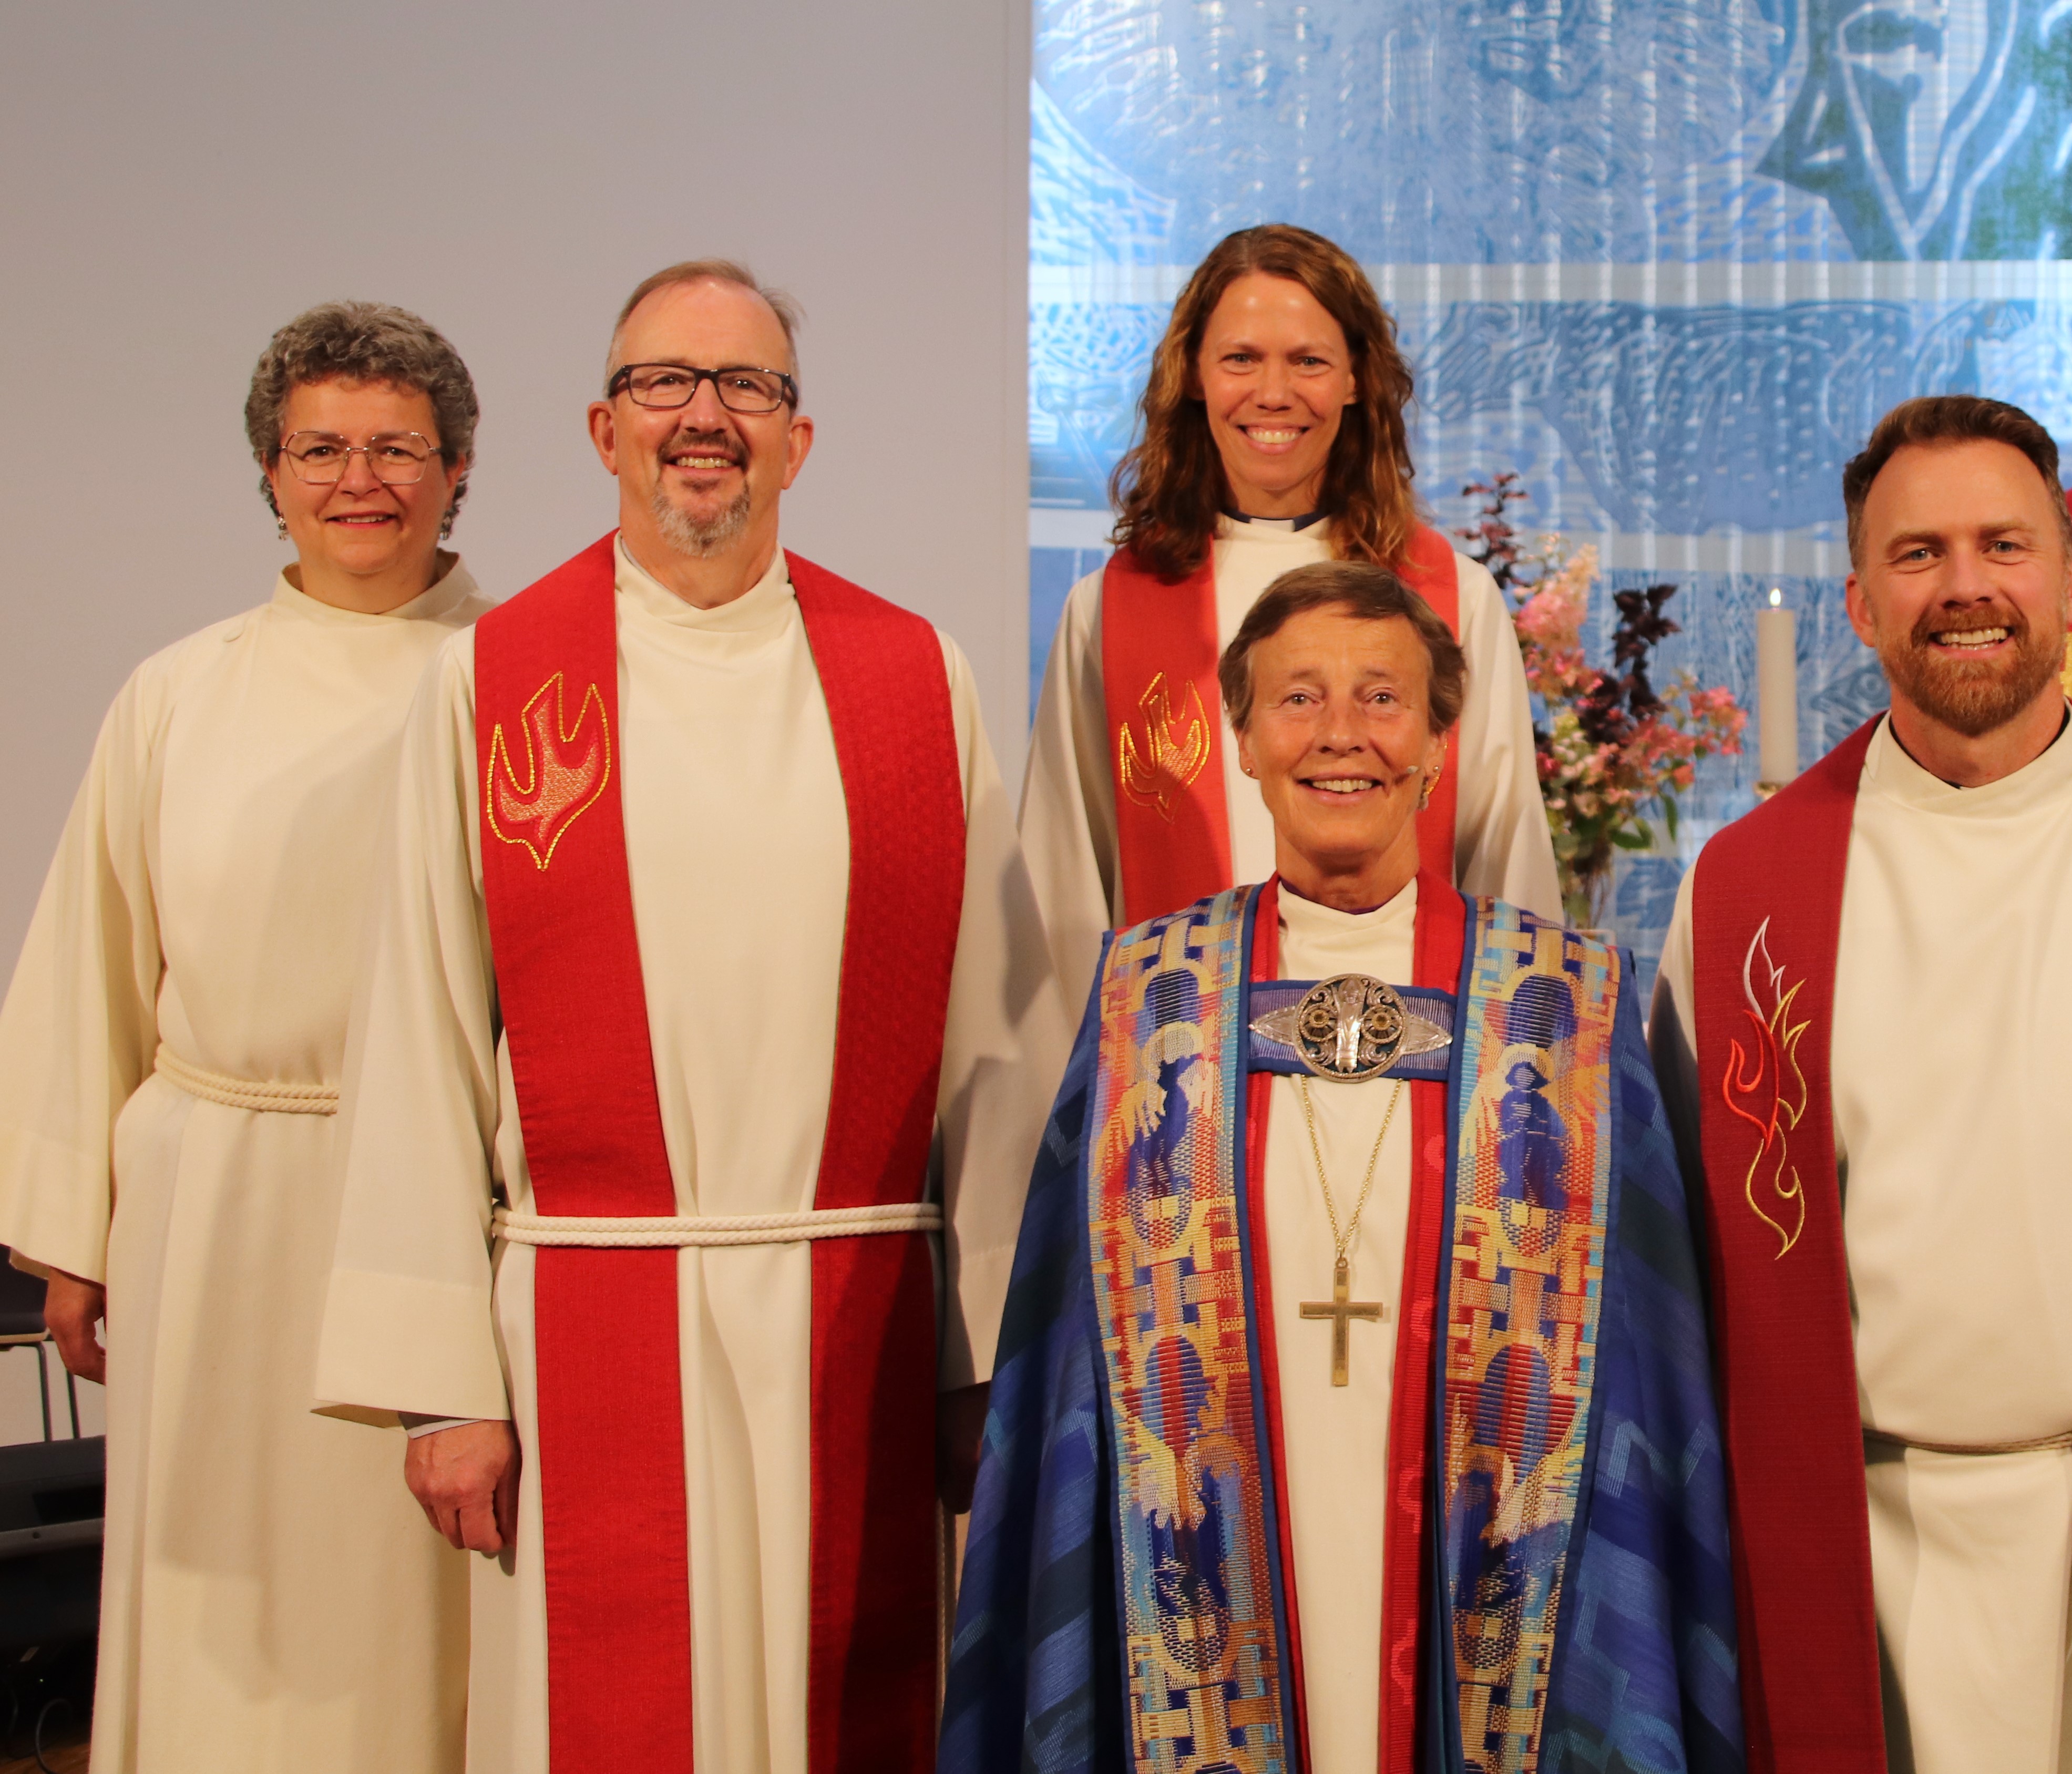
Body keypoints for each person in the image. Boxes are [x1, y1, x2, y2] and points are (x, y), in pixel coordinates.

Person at [312, 260, 1055, 1772]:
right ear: (603, 428)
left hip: (857, 1319)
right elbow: (424, 1039)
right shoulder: (493, 680)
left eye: (746, 387)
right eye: (665, 382)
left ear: (798, 439)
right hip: (589, 1317)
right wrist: (437, 1386)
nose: (703, 417)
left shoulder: (916, 677)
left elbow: (998, 1041)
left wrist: (984, 1358)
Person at [945, 561, 1738, 1774]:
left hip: (1487, 1590)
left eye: (1382, 698)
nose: (1341, 735)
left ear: (1436, 741)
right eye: (1299, 698)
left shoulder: (1562, 1008)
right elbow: (1066, 1385)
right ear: (1247, 738)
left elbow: (1647, 1379)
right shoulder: (1143, 1001)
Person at [1655, 395, 2072, 1771]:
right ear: (1859, 602)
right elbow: (1691, 1263)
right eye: (1918, 556)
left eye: (2003, 545)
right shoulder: (1747, 894)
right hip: (1853, 1560)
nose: (1966, 587)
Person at [0, 301, 486, 1773]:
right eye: (321, 448)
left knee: (410, 1610)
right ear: (268, 475)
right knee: (223, 1608)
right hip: (212, 1207)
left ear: (460, 468)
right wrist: (70, 1235)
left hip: (434, 1207)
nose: (362, 481)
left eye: (399, 447)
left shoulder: (531, 682)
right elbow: (93, 958)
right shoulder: (179, 690)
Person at [1023, 223, 1558, 1062]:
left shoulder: (1453, 601)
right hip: (1184, 1087)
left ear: (1356, 381)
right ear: (1193, 379)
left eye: (1308, 361)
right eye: (1241, 359)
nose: (1274, 394)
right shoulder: (1109, 612)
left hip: (1419, 1076)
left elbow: (1508, 862)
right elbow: (1061, 885)